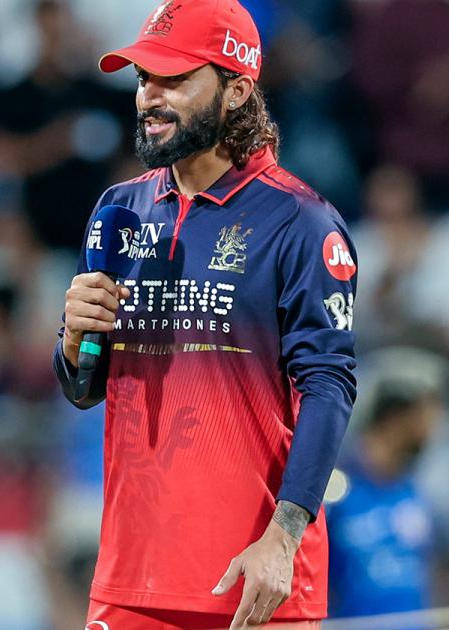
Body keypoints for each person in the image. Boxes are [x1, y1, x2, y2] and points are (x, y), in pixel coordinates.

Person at [53, 0, 357, 628]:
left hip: (255, 581)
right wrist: (74, 341)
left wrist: (284, 538)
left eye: (173, 79)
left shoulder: (300, 220)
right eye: (144, 78)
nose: (149, 96)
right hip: (131, 577)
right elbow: (85, 390)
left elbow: (329, 386)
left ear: (237, 90)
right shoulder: (120, 210)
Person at [327, 356, 443, 620]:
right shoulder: (335, 493)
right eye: (425, 415)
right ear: (394, 418)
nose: (433, 429)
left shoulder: (413, 492)